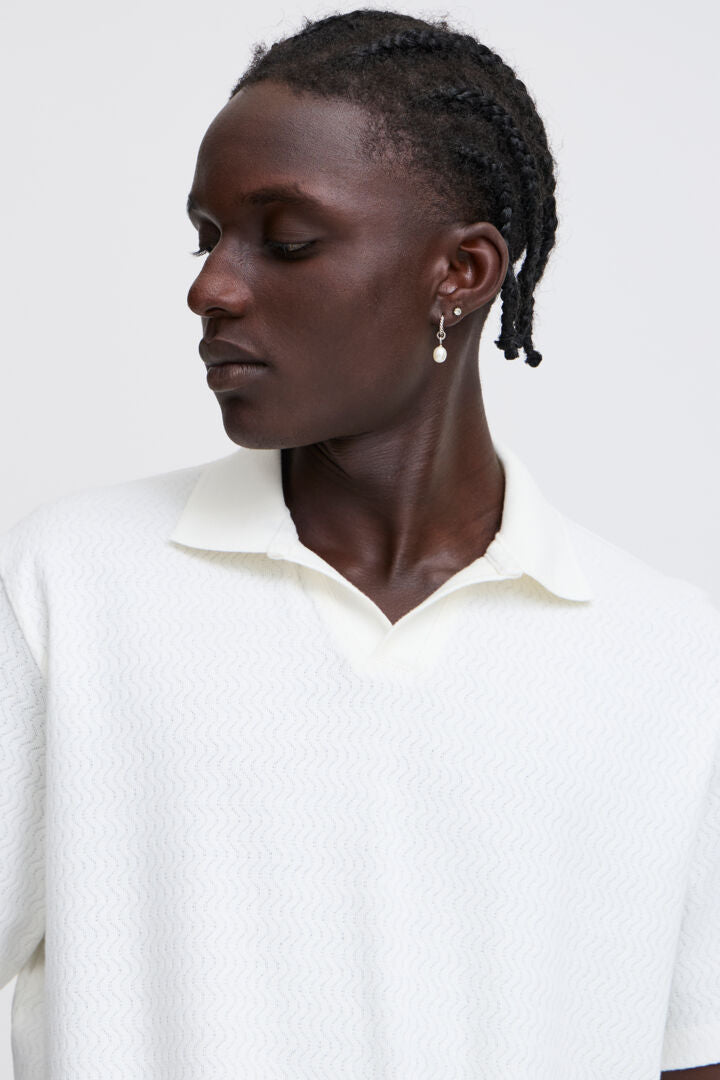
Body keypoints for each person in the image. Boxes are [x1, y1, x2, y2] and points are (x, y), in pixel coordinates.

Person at [1, 8, 719, 1078]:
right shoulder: (70, 587)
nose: (211, 287)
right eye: (207, 236)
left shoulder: (672, 659)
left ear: (462, 272)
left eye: (286, 240)